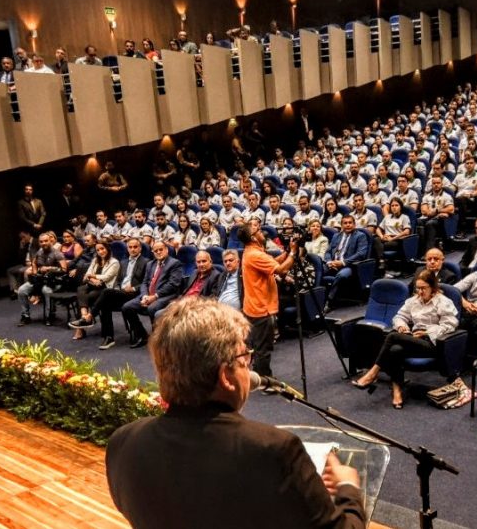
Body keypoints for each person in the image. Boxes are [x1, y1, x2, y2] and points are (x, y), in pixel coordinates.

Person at [105, 297, 366, 529]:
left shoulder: (122, 442)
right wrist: (348, 489)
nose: (249, 370)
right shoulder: (273, 450)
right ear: (225, 376)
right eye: (244, 359)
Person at [351, 270, 459, 409]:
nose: (420, 292)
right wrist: (402, 326)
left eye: (423, 288)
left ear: (432, 287)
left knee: (392, 336)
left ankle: (372, 373)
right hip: (414, 340)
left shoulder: (443, 302)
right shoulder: (413, 301)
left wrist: (427, 332)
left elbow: (450, 325)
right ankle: (397, 390)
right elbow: (399, 317)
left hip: (433, 343)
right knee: (395, 350)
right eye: (417, 288)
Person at [238, 223, 296, 378]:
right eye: (258, 231)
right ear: (253, 237)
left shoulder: (253, 251)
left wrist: (286, 253)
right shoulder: (255, 255)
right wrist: (293, 253)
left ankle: (258, 376)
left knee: (258, 345)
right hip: (260, 308)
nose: (262, 232)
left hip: (254, 305)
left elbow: (272, 262)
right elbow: (281, 270)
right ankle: (265, 380)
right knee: (263, 347)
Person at [121, 241, 184, 349]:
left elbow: (173, 285)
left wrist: (155, 296)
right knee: (127, 307)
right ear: (152, 252)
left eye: (161, 249)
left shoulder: (174, 263)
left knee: (152, 308)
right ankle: (142, 336)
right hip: (148, 295)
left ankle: (158, 339)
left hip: (166, 296)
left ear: (166, 250)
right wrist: (144, 295)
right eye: (155, 250)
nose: (158, 252)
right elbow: (144, 282)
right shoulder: (150, 264)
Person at [67, 241, 120, 340]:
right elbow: (87, 274)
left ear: (107, 249)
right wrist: (93, 280)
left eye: (102, 249)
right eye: (98, 250)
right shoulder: (95, 260)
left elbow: (106, 277)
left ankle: (81, 327)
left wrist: (92, 276)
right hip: (93, 284)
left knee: (83, 298)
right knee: (80, 289)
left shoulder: (114, 262)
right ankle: (84, 316)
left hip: (105, 288)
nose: (100, 251)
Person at [17, 231, 67, 326]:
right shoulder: (39, 252)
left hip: (54, 281)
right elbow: (34, 263)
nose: (43, 243)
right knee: (21, 290)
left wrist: (49, 268)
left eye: (45, 241)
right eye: (41, 241)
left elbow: (64, 270)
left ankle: (50, 315)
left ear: (50, 241)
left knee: (45, 290)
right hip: (41, 280)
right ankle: (25, 316)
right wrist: (35, 272)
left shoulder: (57, 254)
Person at [323, 216, 371, 303]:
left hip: (349, 266)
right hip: (333, 263)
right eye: (345, 223)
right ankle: (316, 297)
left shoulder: (360, 236)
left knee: (341, 275)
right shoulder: (336, 236)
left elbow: (361, 254)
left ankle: (329, 300)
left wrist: (342, 262)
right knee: (318, 270)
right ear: (341, 225)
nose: (348, 225)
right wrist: (329, 262)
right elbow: (328, 252)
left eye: (350, 223)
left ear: (354, 224)